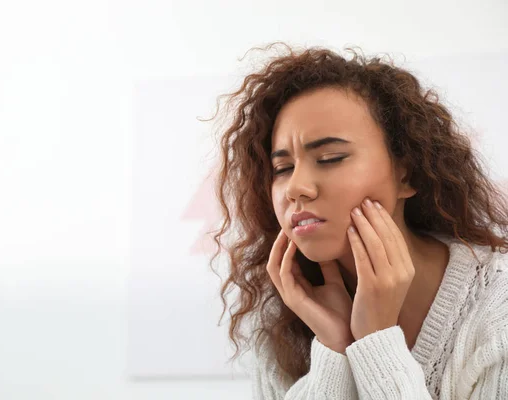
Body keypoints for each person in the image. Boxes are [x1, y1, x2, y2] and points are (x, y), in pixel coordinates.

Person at [209, 44, 508, 399]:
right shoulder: (283, 318)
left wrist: (375, 342)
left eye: (331, 158)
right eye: (282, 169)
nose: (296, 188)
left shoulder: (498, 309)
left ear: (405, 174)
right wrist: (334, 347)